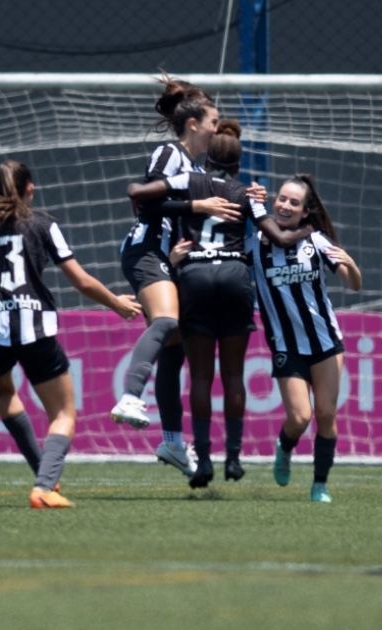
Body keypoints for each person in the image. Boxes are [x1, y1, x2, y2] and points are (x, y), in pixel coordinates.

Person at [0, 159, 142, 509]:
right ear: (30, 189)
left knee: (4, 392)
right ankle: (45, 485)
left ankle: (46, 478)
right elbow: (80, 279)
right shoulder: (44, 226)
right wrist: (115, 303)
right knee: (64, 413)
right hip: (35, 328)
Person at [127, 120, 311, 489]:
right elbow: (278, 235)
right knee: (232, 376)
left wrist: (188, 204)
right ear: (239, 165)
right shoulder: (246, 193)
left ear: (207, 159)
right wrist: (310, 228)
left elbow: (137, 191)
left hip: (194, 277)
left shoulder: (188, 181)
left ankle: (205, 460)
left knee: (198, 376)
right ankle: (234, 458)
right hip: (233, 277)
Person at [111, 73, 266, 478]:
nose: (218, 127)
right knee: (166, 322)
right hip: (146, 250)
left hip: (168, 256)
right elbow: (143, 205)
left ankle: (174, 443)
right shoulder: (169, 154)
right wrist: (196, 208)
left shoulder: (194, 168)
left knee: (175, 350)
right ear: (194, 124)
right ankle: (129, 396)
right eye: (214, 120)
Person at [252, 174, 362, 503]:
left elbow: (353, 283)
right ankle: (285, 449)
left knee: (326, 414)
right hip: (286, 345)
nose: (285, 206)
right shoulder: (256, 241)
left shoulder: (317, 242)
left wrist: (352, 267)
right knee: (300, 417)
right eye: (282, 199)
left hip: (325, 342)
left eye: (294, 202)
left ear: (304, 211)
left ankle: (319, 485)